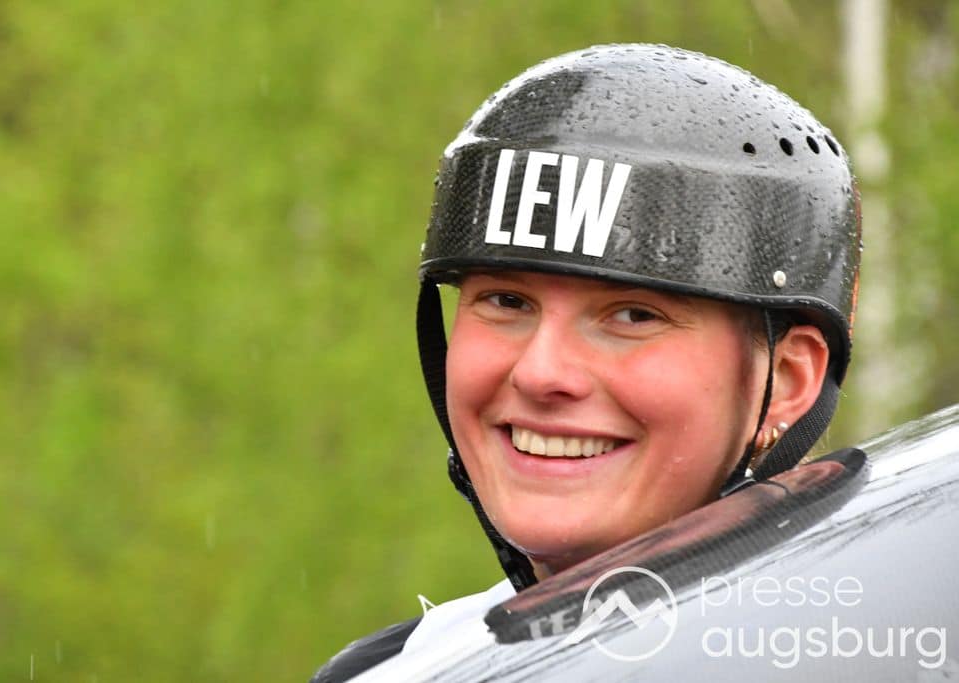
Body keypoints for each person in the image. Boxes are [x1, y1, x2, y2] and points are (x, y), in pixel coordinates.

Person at [311, 43, 861, 682]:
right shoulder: (396, 670)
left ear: (786, 381)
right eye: (507, 301)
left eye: (633, 315)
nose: (541, 373)